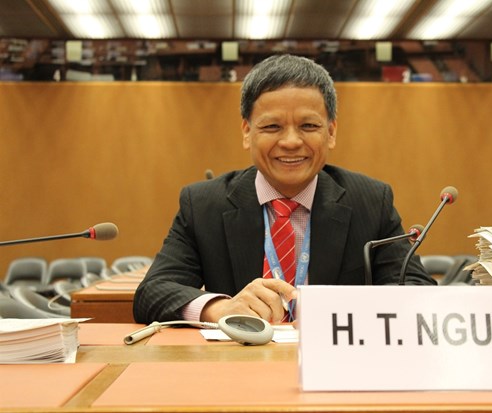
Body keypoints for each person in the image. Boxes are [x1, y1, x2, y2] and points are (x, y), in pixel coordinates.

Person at [133, 54, 435, 325]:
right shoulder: (203, 205)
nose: (291, 142)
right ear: (247, 132)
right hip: (239, 361)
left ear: (331, 132)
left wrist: (335, 310)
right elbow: (153, 293)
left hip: (334, 362)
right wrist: (220, 308)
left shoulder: (369, 201)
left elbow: (418, 292)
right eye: (272, 127)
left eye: (308, 126)